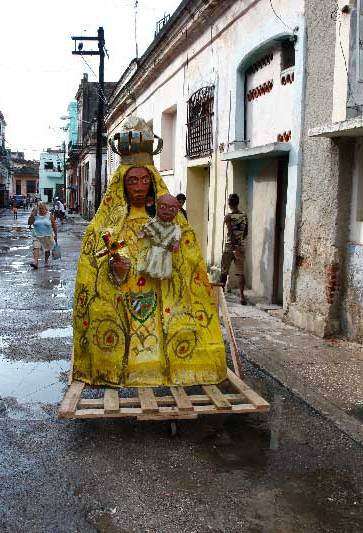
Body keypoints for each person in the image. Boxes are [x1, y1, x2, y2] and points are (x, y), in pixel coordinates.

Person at [72, 116, 226, 388]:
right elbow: (92, 263)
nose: (140, 187)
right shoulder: (107, 222)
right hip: (124, 297)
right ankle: (115, 371)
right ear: (123, 184)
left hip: (159, 291)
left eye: (145, 180)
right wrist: (114, 270)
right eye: (133, 181)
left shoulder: (170, 219)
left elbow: (187, 258)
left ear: (153, 183)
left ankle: (165, 372)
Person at [220, 193, 248, 305]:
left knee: (224, 272)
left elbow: (230, 233)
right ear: (238, 202)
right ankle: (242, 296)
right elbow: (246, 232)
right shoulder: (244, 216)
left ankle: (220, 296)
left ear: (229, 203)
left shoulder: (228, 217)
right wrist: (240, 243)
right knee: (240, 272)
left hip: (229, 247)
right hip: (241, 247)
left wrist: (234, 246)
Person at [28, 202, 57, 269]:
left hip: (48, 236)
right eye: (40, 208)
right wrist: (32, 215)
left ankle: (46, 261)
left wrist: (56, 236)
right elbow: (29, 223)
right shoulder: (35, 215)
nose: (41, 210)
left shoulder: (49, 215)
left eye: (42, 208)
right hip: (37, 235)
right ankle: (35, 262)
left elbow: (54, 226)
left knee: (47, 250)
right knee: (36, 247)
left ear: (45, 208)